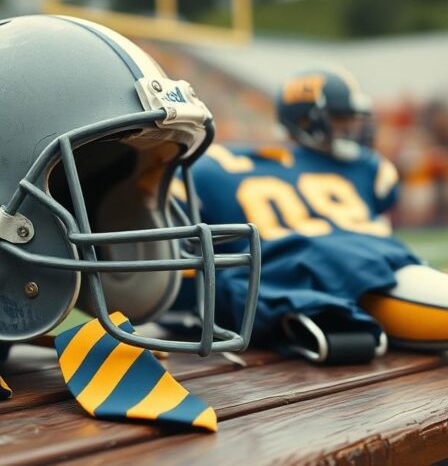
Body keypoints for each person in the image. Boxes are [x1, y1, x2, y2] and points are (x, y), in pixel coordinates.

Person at [167, 67, 448, 364]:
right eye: (341, 118)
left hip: (344, 268)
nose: (353, 127)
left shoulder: (212, 165)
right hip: (334, 269)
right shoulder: (366, 168)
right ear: (306, 121)